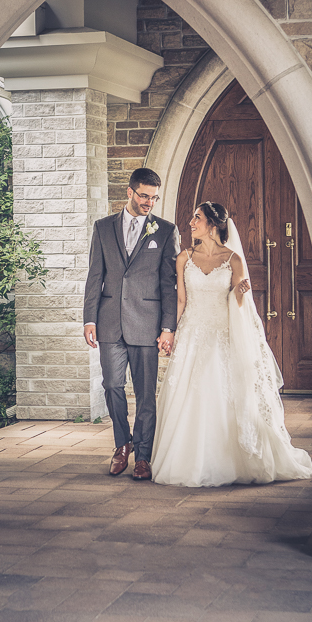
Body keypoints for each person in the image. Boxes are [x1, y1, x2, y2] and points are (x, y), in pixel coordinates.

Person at [150, 201, 312, 487]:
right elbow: (181, 300)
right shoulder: (184, 258)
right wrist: (170, 332)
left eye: (197, 218)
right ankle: (187, 460)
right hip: (191, 333)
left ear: (212, 225)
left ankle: (228, 459)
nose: (191, 223)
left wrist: (239, 292)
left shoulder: (233, 259)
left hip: (220, 335)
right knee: (187, 396)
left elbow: (239, 304)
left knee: (219, 392)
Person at [83, 168, 178, 480]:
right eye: (144, 195)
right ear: (130, 192)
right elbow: (94, 276)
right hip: (110, 322)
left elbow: (169, 284)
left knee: (146, 393)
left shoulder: (164, 231)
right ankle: (122, 444)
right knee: (111, 385)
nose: (149, 202)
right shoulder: (102, 228)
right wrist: (90, 318)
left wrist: (168, 326)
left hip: (147, 324)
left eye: (153, 197)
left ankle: (144, 455)